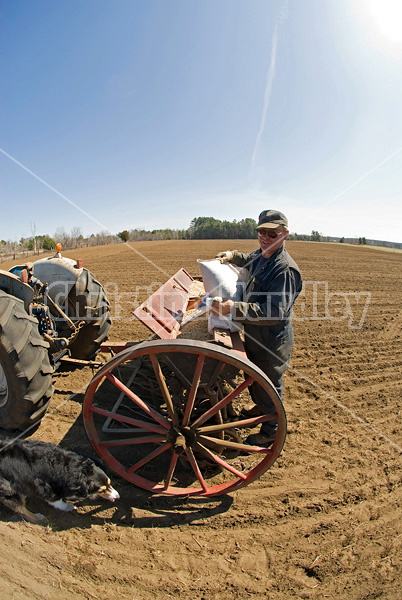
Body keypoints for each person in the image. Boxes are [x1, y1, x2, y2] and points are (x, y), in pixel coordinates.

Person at [211, 209, 302, 446]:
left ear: (285, 234)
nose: (265, 237)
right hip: (255, 334)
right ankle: (259, 409)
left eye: (272, 233)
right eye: (261, 232)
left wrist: (233, 308)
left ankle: (271, 430)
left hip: (272, 340)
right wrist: (232, 255)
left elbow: (274, 312)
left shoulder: (284, 270)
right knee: (255, 379)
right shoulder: (263, 255)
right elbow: (249, 258)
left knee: (270, 384)